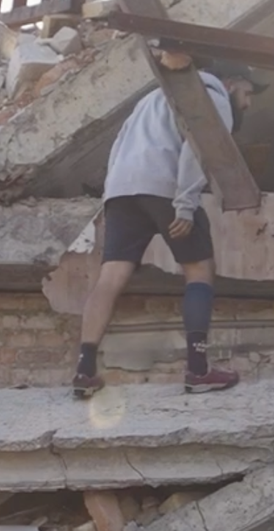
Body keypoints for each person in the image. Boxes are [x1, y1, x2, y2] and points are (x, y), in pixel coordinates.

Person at [72, 54, 262, 397]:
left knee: (111, 276)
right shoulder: (211, 94)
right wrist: (185, 203)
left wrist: (111, 196)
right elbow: (198, 146)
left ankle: (85, 370)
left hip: (121, 190)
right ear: (230, 83)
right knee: (199, 268)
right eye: (247, 93)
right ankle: (198, 370)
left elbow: (119, 145)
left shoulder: (151, 97)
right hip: (164, 185)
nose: (246, 104)